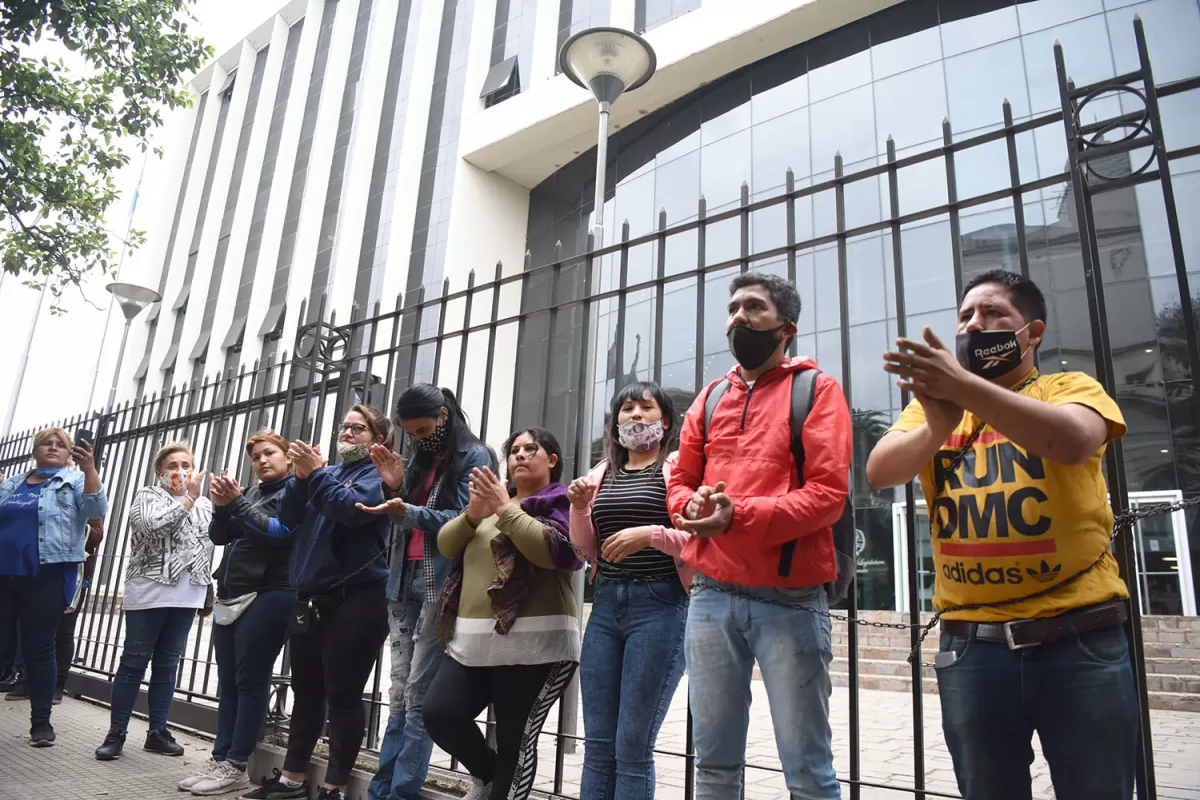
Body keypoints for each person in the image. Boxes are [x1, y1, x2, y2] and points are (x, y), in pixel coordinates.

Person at [866, 269, 1137, 800]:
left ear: (1031, 332)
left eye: (993, 314)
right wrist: (939, 424)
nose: (975, 325)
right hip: (974, 646)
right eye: (966, 316)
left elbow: (1071, 440)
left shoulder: (1070, 387)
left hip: (1079, 638)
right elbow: (880, 471)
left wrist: (966, 387)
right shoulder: (933, 410)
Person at [667, 272, 851, 800]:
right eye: (733, 308)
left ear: (786, 328)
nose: (738, 317)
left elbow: (827, 495)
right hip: (710, 595)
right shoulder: (710, 396)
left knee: (808, 771)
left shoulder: (817, 390)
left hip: (790, 600)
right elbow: (680, 482)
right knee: (713, 765)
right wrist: (691, 506)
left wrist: (736, 515)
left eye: (753, 307)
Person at [424, 427, 583, 800]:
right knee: (439, 713)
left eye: (532, 449)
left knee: (515, 743)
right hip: (473, 647)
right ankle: (487, 774)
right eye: (514, 450)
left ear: (552, 460)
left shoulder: (559, 502)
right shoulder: (491, 503)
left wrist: (504, 509)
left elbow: (551, 552)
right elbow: (447, 545)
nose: (521, 455)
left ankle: (502, 784)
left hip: (536, 649)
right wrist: (471, 516)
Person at [243, 405, 393, 800]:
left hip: (357, 598)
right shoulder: (326, 473)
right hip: (310, 597)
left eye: (357, 428)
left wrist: (319, 474)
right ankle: (291, 780)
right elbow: (289, 516)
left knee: (343, 695)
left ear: (377, 439)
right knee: (306, 691)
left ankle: (334, 789)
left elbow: (351, 510)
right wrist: (302, 476)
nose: (346, 433)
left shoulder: (379, 474)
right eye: (343, 426)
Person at [358, 385, 494, 800]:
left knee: (418, 692)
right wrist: (395, 488)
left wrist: (409, 509)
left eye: (422, 429)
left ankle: (400, 792)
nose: (417, 439)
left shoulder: (475, 456)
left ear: (443, 414)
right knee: (398, 692)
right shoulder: (417, 458)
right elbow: (401, 513)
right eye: (410, 433)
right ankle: (382, 791)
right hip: (403, 579)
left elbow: (469, 517)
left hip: (441, 581)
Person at [567, 381, 692, 800]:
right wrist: (580, 506)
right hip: (605, 605)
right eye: (627, 409)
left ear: (665, 420)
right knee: (598, 745)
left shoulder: (677, 469)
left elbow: (700, 540)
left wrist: (653, 535)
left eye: (645, 407)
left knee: (633, 746)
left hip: (661, 604)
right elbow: (585, 548)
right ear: (615, 421)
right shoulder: (603, 472)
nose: (636, 415)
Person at [177, 430, 297, 796]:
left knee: (250, 680)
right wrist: (220, 504)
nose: (261, 460)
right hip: (233, 592)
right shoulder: (252, 492)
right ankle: (220, 757)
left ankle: (237, 763)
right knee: (227, 681)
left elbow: (280, 533)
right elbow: (219, 536)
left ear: (288, 457)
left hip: (271, 591)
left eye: (269, 453)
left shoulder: (295, 490)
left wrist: (238, 505)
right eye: (256, 456)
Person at [95, 441, 213, 761]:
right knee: (134, 661)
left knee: (168, 663)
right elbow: (150, 528)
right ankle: (117, 731)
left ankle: (157, 732)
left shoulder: (203, 504)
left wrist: (209, 590)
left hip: (187, 593)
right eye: (172, 466)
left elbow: (204, 546)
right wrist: (188, 498)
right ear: (160, 473)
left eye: (186, 466)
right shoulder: (148, 496)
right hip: (148, 591)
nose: (180, 472)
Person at [0, 429, 107, 746]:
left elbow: (95, 510)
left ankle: (41, 724)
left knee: (39, 647)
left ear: (68, 453)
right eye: (47, 443)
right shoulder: (13, 482)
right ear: (35, 450)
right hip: (4, 575)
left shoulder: (73, 481)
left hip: (47, 574)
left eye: (61, 444)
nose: (53, 447)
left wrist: (89, 470)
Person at [54, 516, 106, 703]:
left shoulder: (89, 501)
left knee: (65, 631)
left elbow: (96, 537)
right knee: (36, 629)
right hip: (46, 568)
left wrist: (74, 523)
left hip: (77, 575)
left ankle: (58, 685)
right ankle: (28, 681)